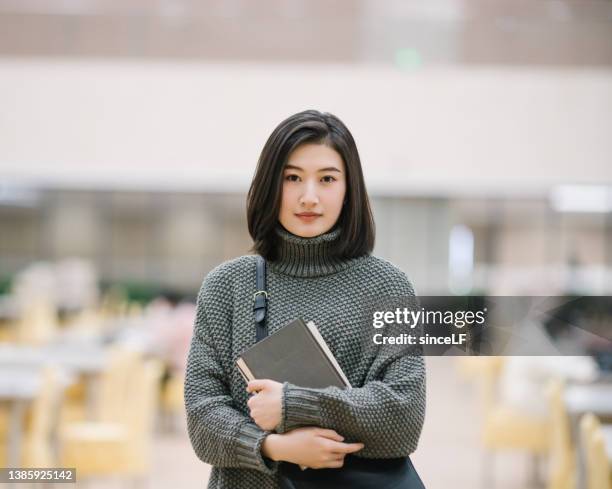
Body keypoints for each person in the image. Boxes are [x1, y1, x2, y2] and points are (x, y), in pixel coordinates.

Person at [184, 110, 426, 488]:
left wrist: (292, 404)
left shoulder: (388, 286)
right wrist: (275, 447)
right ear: (270, 185)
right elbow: (202, 417)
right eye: (292, 178)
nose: (309, 197)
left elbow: (404, 416)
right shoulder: (226, 286)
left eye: (327, 179)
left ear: (349, 189)